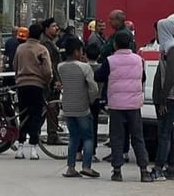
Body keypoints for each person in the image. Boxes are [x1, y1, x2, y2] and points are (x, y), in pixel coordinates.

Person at [94, 30, 154, 183]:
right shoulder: (139, 60)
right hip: (134, 106)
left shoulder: (110, 60)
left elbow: (99, 76)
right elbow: (143, 78)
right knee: (138, 138)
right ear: (130, 44)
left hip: (116, 105)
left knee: (117, 138)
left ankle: (117, 171)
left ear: (115, 44)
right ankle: (144, 171)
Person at [150, 19, 174, 181]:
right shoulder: (165, 48)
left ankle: (158, 168)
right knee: (168, 132)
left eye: (157, 31)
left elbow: (170, 76)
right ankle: (172, 166)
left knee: (163, 133)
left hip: (170, 98)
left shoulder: (173, 49)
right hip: (165, 97)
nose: (155, 35)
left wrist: (163, 99)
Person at [57, 38, 99, 178]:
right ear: (76, 52)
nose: (82, 53)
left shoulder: (60, 67)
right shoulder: (85, 67)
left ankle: (71, 167)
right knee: (87, 137)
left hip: (68, 106)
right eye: (81, 50)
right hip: (82, 107)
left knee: (73, 137)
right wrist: (91, 99)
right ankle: (86, 166)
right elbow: (93, 87)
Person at [12, 23, 52, 160]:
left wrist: (19, 78)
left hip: (22, 85)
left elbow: (15, 66)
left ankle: (20, 147)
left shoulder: (20, 48)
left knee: (23, 116)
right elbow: (47, 70)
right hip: (37, 85)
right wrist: (47, 81)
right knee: (35, 116)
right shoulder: (42, 49)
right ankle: (34, 149)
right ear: (41, 35)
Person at [40, 17, 62, 143]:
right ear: (46, 29)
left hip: (52, 79)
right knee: (51, 107)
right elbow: (50, 65)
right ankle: (52, 135)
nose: (57, 28)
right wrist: (56, 81)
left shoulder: (51, 42)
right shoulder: (46, 44)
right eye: (53, 26)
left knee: (50, 107)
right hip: (50, 81)